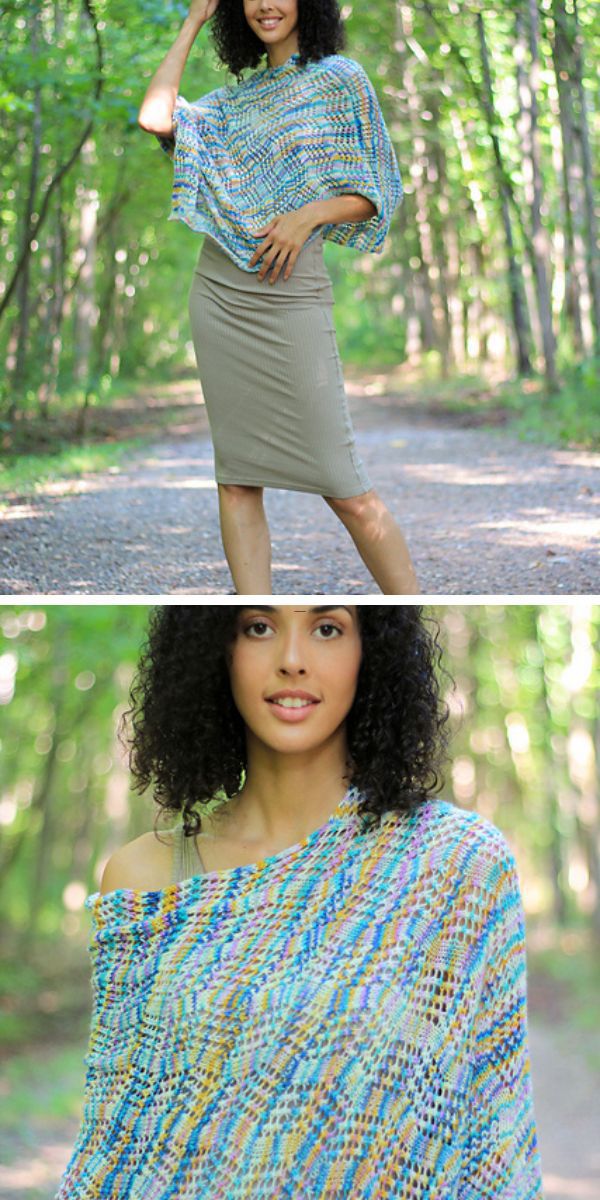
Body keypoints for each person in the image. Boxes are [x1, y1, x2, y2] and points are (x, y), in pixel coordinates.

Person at [55, 604, 544, 1199]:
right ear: (218, 650)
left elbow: (489, 1145)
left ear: (373, 653)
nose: (292, 661)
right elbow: (119, 1152)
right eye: (258, 628)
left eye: (328, 629)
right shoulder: (145, 879)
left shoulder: (455, 865)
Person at [137, 0, 419, 595]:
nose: (266, 3)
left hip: (292, 299)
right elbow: (155, 117)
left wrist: (307, 215)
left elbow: (378, 190)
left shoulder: (341, 80)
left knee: (346, 487)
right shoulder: (229, 104)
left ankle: (411, 617)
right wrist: (191, 21)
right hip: (220, 296)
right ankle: (253, 612)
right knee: (237, 480)